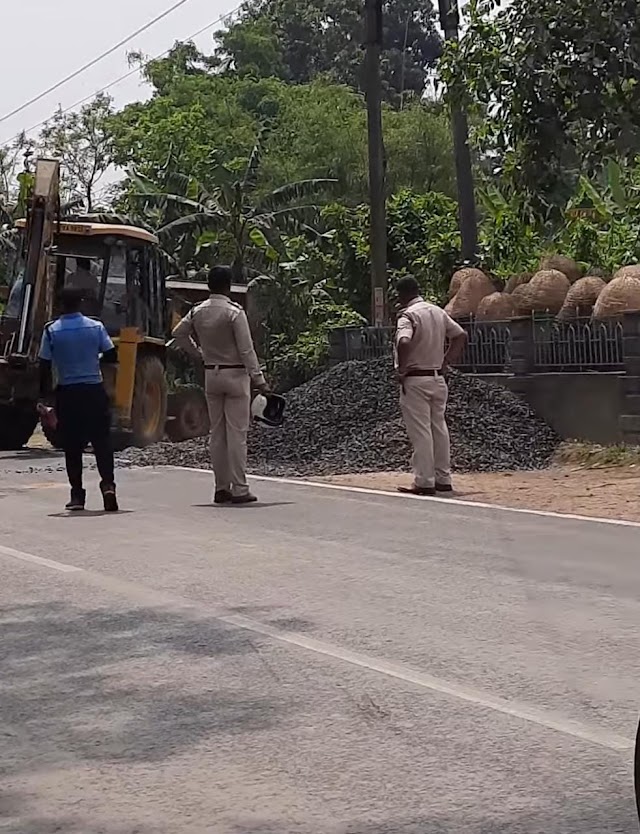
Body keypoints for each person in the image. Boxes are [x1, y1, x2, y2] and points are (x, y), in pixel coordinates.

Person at [172, 265, 269, 505]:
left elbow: (178, 333)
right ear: (228, 286)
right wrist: (259, 380)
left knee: (217, 433)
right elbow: (247, 350)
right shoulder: (234, 313)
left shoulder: (198, 312)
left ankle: (220, 487)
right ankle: (240, 488)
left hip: (211, 375)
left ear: (208, 285)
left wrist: (198, 354)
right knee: (237, 434)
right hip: (236, 376)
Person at [39, 287, 119, 512]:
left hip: (68, 393)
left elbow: (44, 365)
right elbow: (112, 355)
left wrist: (45, 396)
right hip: (94, 390)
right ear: (81, 304)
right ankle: (108, 486)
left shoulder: (52, 330)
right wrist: (95, 358)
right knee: (102, 442)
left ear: (60, 305)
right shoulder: (96, 327)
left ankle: (77, 496)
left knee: (72, 446)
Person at [394, 275, 467, 496]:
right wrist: (446, 362)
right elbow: (460, 335)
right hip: (437, 378)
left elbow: (404, 341)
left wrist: (402, 369)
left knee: (421, 431)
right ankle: (443, 478)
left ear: (402, 295)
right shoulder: (438, 311)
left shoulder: (408, 315)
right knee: (439, 428)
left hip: (416, 379)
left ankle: (424, 481)